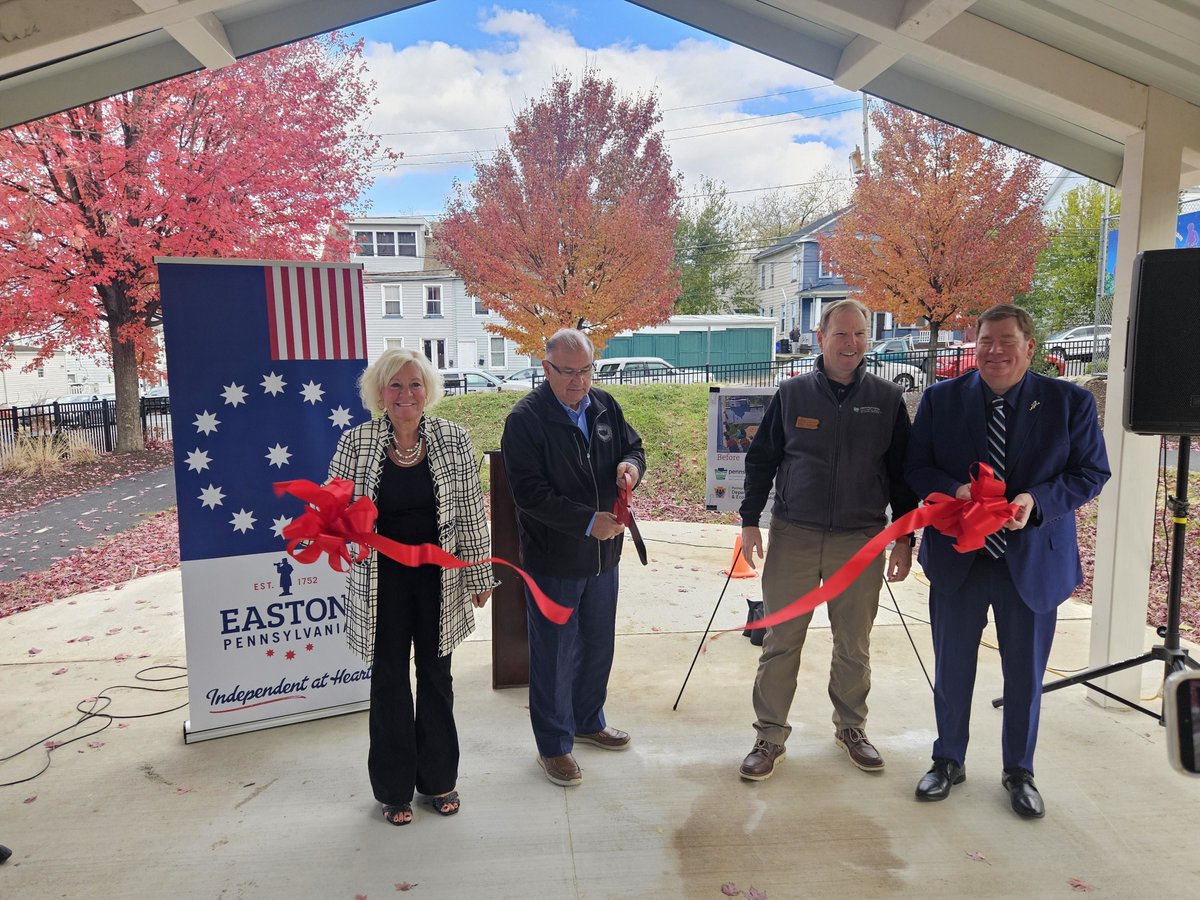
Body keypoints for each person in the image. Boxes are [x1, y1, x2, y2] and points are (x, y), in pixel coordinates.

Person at [905, 303, 1109, 819]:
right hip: (960, 560)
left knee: (1025, 676)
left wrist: (1034, 501)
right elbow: (916, 466)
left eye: (1006, 341)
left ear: (1029, 347)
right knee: (952, 669)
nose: (994, 351)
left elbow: (1091, 472)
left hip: (1033, 562)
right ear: (974, 346)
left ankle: (1019, 770)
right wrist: (955, 491)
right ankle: (948, 759)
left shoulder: (1070, 402)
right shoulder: (941, 399)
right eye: (985, 341)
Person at [737, 299, 918, 781]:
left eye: (859, 334)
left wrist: (905, 537)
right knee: (781, 641)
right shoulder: (792, 394)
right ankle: (769, 736)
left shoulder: (886, 398)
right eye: (841, 334)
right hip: (794, 535)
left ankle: (851, 728)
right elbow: (762, 460)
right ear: (820, 338)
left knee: (853, 644)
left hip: (860, 540)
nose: (851, 344)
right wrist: (750, 519)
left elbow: (902, 475)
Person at [327, 347, 494, 826]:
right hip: (380, 583)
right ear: (380, 393)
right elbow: (333, 509)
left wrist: (480, 575)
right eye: (395, 385)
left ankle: (439, 779)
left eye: (415, 384)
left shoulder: (453, 439)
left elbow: (471, 512)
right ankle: (394, 789)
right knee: (389, 681)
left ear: (428, 391)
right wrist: (337, 528)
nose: (406, 394)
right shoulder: (355, 442)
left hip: (439, 580)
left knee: (437, 678)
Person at [501, 328, 646, 787]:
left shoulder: (604, 405)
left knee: (598, 643)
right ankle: (553, 746)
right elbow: (529, 495)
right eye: (568, 372)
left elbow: (634, 447)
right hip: (554, 560)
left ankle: (588, 720)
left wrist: (631, 468)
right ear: (546, 368)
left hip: (605, 556)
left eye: (586, 370)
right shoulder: (525, 419)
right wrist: (586, 521)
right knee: (554, 653)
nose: (579, 381)